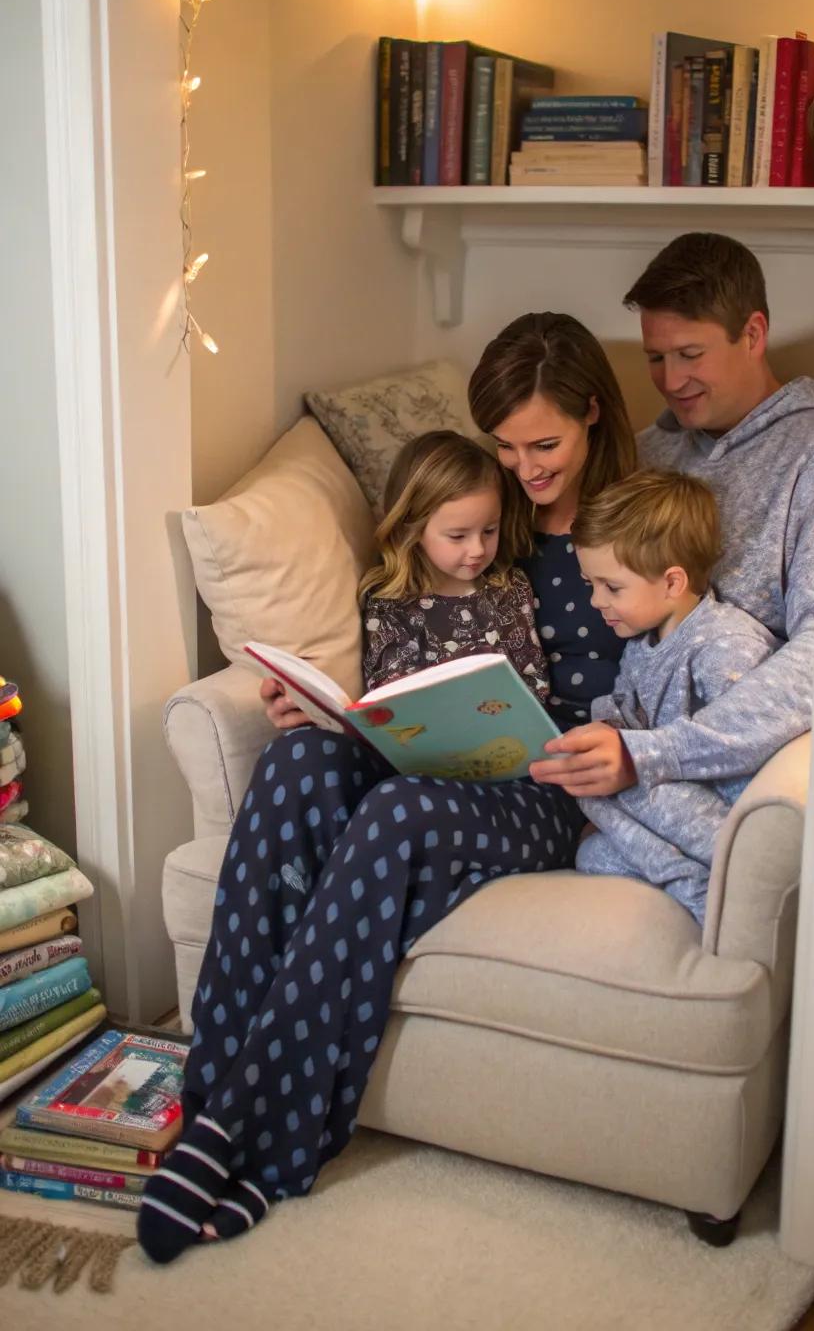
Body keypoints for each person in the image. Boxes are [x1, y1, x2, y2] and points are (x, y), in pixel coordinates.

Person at [138, 314, 635, 1264]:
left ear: (595, 421)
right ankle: (210, 1093)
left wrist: (628, 748)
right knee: (294, 765)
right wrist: (325, 710)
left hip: (551, 780)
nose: (524, 467)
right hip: (441, 752)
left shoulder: (636, 520)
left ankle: (259, 1139)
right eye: (505, 445)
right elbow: (415, 520)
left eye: (545, 444)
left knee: (398, 813)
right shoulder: (495, 521)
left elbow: (690, 658)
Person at [530, 231, 814, 801]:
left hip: (703, 763)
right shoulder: (648, 451)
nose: (669, 381)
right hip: (608, 725)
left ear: (754, 335)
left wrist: (650, 756)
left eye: (690, 355)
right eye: (655, 358)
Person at [570, 469, 779, 925]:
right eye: (591, 585)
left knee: (602, 785)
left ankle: (696, 886)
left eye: (611, 587)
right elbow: (624, 711)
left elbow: (745, 759)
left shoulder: (725, 642)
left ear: (672, 583)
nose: (596, 602)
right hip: (666, 807)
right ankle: (677, 872)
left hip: (718, 818)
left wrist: (629, 765)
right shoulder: (639, 644)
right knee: (591, 852)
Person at [358, 429, 548, 702]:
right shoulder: (390, 604)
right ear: (411, 529)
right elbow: (391, 700)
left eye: (489, 530)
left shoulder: (511, 587)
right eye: (458, 536)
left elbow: (535, 680)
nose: (478, 550)